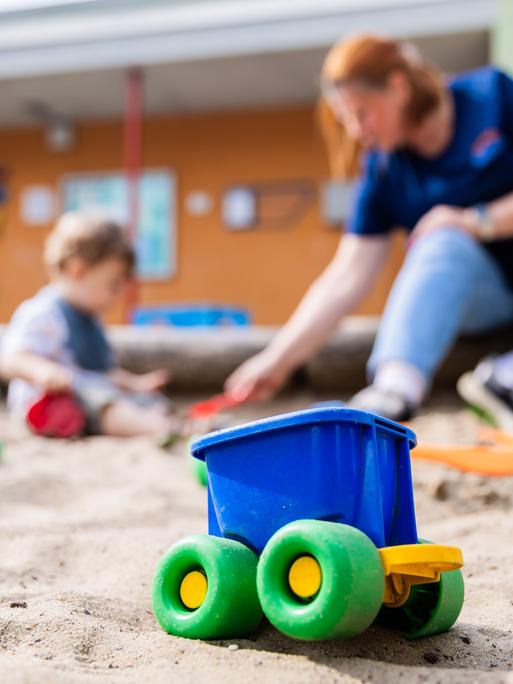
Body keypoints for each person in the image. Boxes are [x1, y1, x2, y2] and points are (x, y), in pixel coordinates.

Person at [226, 35, 513, 421]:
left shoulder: (492, 95)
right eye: (346, 118)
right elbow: (346, 277)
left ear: (398, 86)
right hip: (492, 296)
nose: (357, 131)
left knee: (447, 229)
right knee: (441, 243)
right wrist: (277, 359)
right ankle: (394, 390)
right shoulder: (382, 170)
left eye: (362, 113)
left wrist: (476, 221)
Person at [0, 212, 176, 437]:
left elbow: (102, 373)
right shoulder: (45, 313)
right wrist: (41, 370)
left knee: (147, 400)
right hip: (50, 405)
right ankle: (157, 428)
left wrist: (135, 384)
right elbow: (11, 359)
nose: (119, 294)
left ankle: (157, 420)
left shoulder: (91, 320)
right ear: (78, 271)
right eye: (113, 285)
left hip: (93, 393)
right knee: (103, 402)